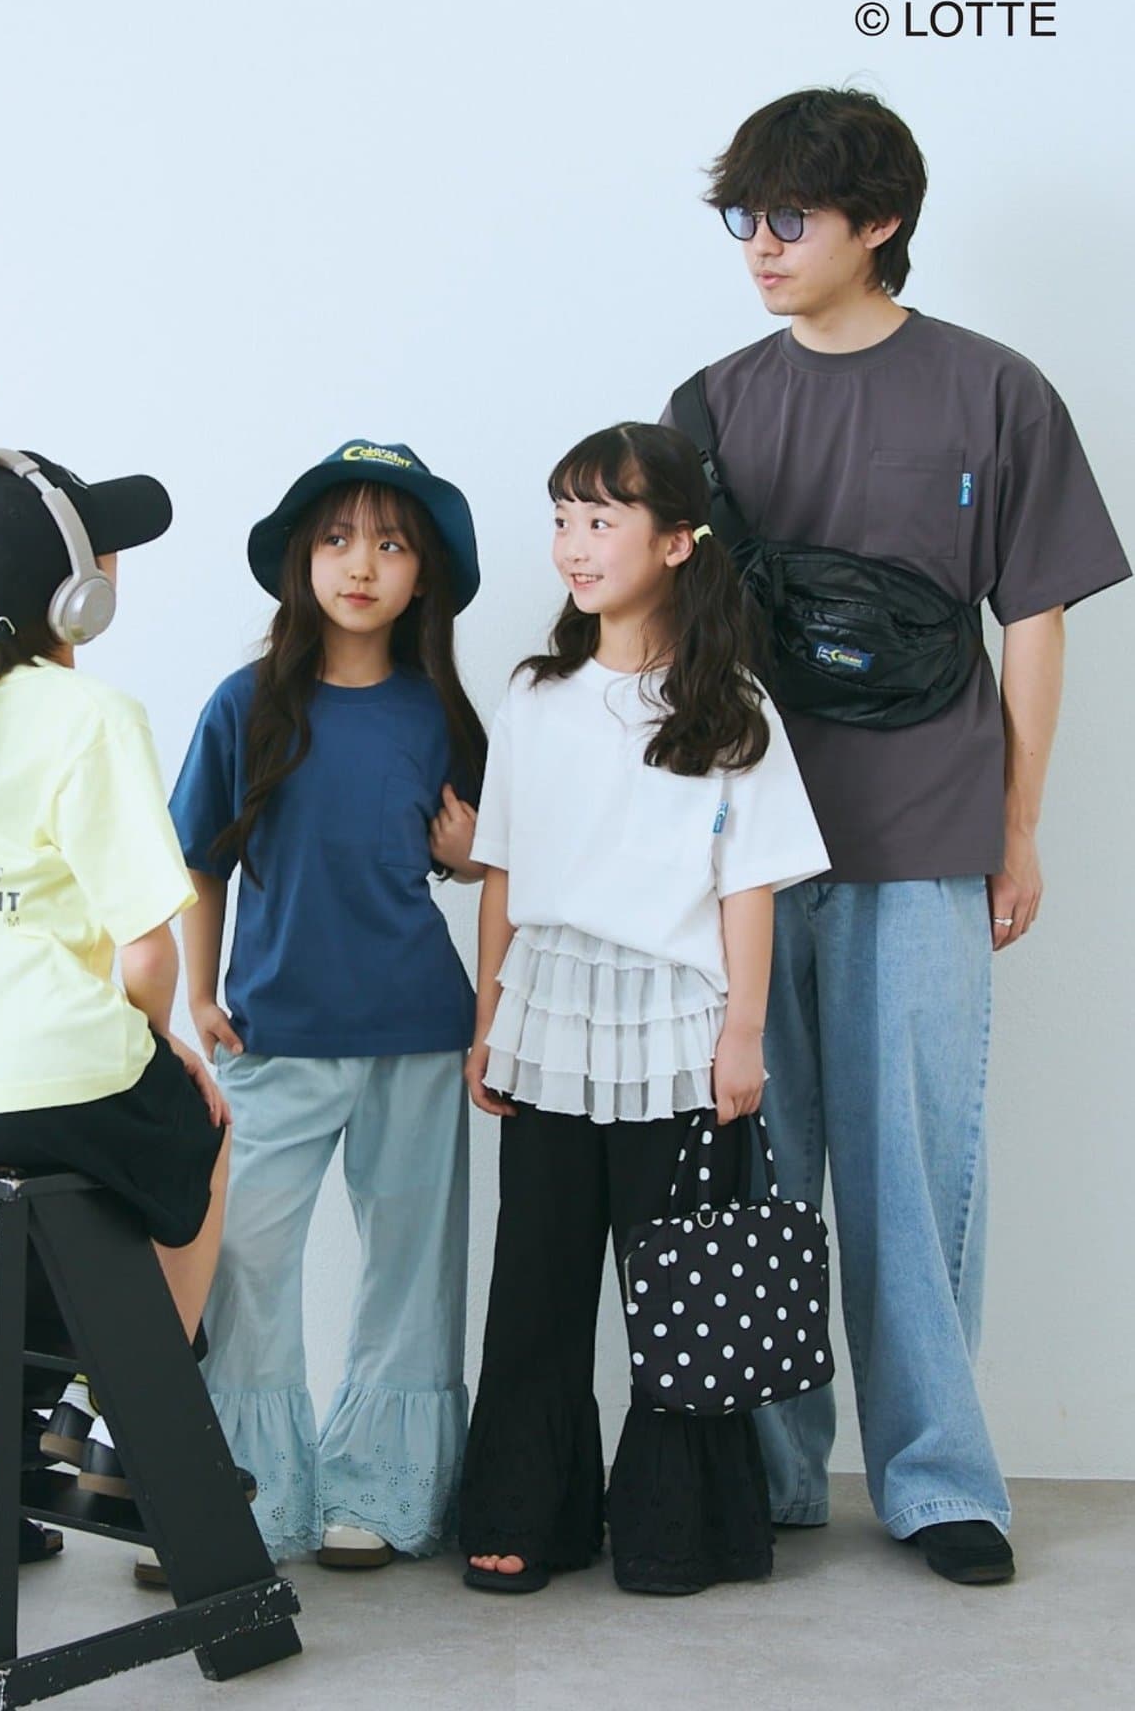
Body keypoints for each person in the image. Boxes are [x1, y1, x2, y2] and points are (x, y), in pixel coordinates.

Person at [671, 87, 1130, 1584]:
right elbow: (666, 630)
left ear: (878, 224)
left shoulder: (995, 391)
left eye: (789, 215)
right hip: (748, 853)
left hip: (928, 829)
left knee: (914, 1173)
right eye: (742, 214)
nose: (760, 244)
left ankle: (937, 1479)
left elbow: (1036, 616)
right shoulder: (712, 403)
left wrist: (1020, 826)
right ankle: (770, 1472)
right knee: (757, 1166)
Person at [458, 421, 829, 1597]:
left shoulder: (729, 707)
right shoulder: (535, 695)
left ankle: (679, 1526)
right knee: (537, 1285)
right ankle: (526, 1510)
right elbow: (503, 872)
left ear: (675, 542)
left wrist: (743, 1036)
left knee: (680, 1294)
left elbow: (749, 885)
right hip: (551, 1020)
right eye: (563, 518)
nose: (574, 544)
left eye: (600, 519)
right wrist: (489, 1021)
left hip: (679, 1033)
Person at [0, 448, 234, 1500]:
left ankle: (79, 1398)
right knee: (202, 1129)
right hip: (56, 1069)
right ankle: (133, 1414)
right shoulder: (94, 717)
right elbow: (148, 944)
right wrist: (160, 1041)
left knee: (118, 1144)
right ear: (75, 594)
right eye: (102, 550)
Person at [167, 441, 486, 1568]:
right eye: (339, 540)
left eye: (391, 545)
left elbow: (485, 863)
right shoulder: (245, 704)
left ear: (422, 574)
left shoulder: (439, 713)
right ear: (301, 559)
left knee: (411, 1267)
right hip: (275, 1034)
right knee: (248, 1263)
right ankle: (247, 1495)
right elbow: (198, 859)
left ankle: (383, 1494)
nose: (361, 565)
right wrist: (198, 990)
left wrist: (469, 851)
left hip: (417, 1034)